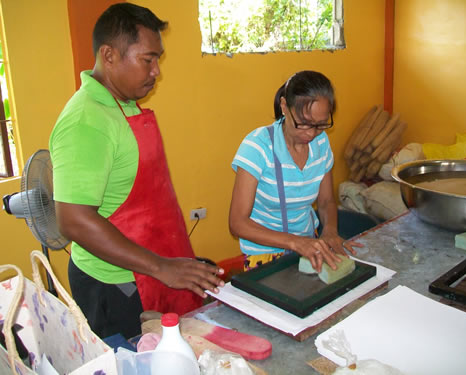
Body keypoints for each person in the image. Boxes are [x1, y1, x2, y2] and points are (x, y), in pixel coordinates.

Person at [49, 3, 224, 340]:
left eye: (157, 59)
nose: (157, 71)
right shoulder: (87, 120)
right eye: (148, 59)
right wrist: (160, 266)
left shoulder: (123, 103)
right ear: (109, 55)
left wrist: (169, 263)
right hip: (115, 286)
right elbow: (72, 219)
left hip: (150, 267)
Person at [229, 70, 360, 272]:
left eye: (320, 125)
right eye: (304, 123)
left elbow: (326, 201)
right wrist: (295, 242)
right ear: (284, 107)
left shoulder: (321, 143)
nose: (310, 133)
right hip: (264, 252)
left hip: (308, 245)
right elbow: (237, 223)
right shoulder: (257, 147)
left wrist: (330, 231)